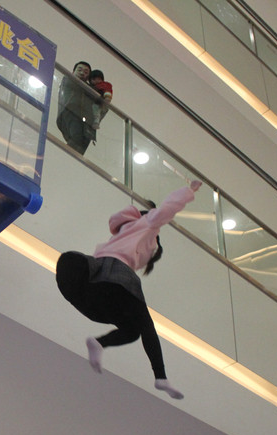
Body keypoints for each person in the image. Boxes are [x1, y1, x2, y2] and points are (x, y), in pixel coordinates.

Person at [56, 181, 202, 399]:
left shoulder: (120, 233)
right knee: (143, 325)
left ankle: (99, 342)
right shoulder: (147, 226)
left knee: (134, 330)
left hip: (95, 289)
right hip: (116, 279)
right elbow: (166, 209)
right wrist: (189, 191)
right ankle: (160, 376)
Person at [56, 61, 98, 154]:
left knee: (82, 144)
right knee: (76, 137)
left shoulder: (88, 90)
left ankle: (69, 162)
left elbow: (100, 105)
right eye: (80, 70)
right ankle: (63, 157)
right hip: (71, 111)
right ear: (73, 71)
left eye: (86, 72)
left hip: (85, 119)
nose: (82, 73)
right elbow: (77, 86)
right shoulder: (68, 79)